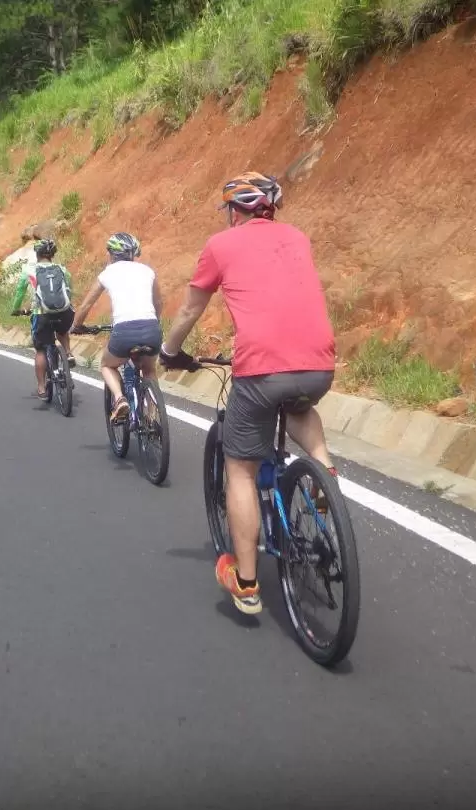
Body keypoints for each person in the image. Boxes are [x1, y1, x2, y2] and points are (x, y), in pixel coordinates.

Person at [160, 172, 337, 616]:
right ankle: (324, 471)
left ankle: (246, 582)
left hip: (261, 368)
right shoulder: (297, 237)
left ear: (235, 211)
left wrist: (170, 350)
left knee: (240, 467)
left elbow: (189, 309)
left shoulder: (221, 246)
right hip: (318, 364)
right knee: (298, 404)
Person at [71, 232, 163, 422]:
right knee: (149, 369)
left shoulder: (107, 273)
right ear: (133, 253)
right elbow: (158, 302)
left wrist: (76, 325)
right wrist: (154, 322)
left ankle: (120, 399)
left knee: (106, 365)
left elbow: (86, 305)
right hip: (151, 328)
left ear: (111, 254)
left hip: (124, 332)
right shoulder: (147, 271)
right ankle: (152, 416)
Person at [10, 238, 75, 400]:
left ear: (37, 254)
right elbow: (69, 291)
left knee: (40, 349)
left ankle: (41, 388)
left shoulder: (29, 270)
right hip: (64, 312)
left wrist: (15, 309)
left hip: (41, 314)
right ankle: (68, 353)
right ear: (53, 254)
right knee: (62, 330)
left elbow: (19, 293)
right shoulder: (62, 269)